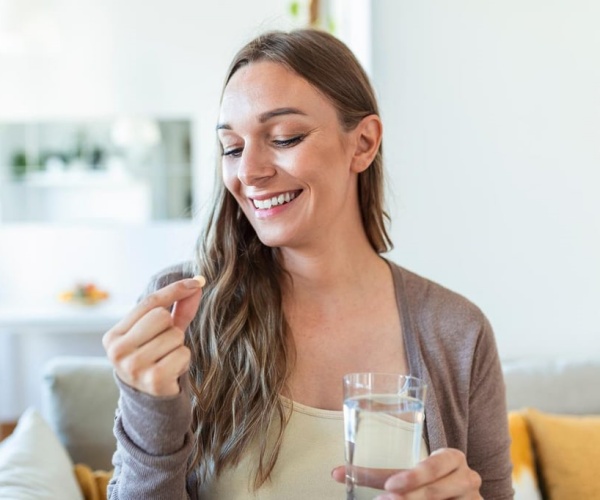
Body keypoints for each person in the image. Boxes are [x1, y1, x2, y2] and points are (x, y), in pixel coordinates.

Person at [102, 28, 513, 499]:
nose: (249, 171)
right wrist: (148, 409)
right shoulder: (185, 314)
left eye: (284, 137)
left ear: (363, 144)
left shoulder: (457, 332)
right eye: (232, 148)